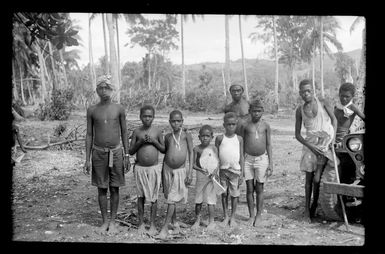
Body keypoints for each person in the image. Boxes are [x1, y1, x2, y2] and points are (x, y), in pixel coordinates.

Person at [83, 75, 130, 235]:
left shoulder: (119, 108)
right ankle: (104, 221)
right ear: (96, 90)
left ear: (111, 89)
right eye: (100, 88)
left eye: (106, 87)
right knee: (102, 189)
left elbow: (124, 131)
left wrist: (127, 155)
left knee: (115, 187)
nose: (103, 90)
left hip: (116, 152)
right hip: (98, 153)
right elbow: (89, 134)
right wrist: (87, 159)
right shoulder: (92, 110)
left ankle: (113, 221)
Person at [295, 79, 337, 222]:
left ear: (313, 91)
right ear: (300, 93)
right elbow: (297, 134)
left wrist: (333, 139)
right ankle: (307, 210)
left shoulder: (323, 103)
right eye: (303, 92)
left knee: (317, 179)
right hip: (309, 145)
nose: (306, 94)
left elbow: (334, 120)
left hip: (324, 144)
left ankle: (314, 204)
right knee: (308, 179)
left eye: (308, 91)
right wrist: (310, 146)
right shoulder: (299, 110)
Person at [128, 105, 165, 236]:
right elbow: (131, 151)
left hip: (154, 168)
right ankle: (141, 224)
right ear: (140, 117)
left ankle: (153, 224)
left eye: (150, 116)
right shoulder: (137, 132)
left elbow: (163, 149)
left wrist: (154, 141)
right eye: (145, 116)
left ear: (153, 117)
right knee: (141, 196)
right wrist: (140, 142)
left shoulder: (157, 131)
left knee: (153, 197)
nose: (147, 118)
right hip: (140, 169)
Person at [157, 110, 193, 239]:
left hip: (180, 170)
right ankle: (175, 222)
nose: (176, 123)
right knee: (169, 196)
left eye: (178, 121)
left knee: (172, 199)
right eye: (173, 121)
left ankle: (165, 228)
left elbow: (191, 153)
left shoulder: (186, 135)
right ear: (169, 122)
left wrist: (190, 173)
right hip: (166, 168)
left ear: (182, 121)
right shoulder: (167, 136)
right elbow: (165, 153)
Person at [241, 100, 273, 226]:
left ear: (262, 112)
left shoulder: (266, 126)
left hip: (262, 159)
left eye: (259, 111)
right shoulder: (245, 126)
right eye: (254, 111)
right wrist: (241, 162)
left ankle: (259, 215)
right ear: (249, 112)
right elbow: (242, 145)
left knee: (259, 188)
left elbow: (269, 144)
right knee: (249, 188)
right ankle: (251, 215)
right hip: (248, 160)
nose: (256, 113)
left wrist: (271, 163)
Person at [215, 112, 244, 227]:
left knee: (234, 194)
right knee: (224, 194)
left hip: (235, 171)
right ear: (224, 125)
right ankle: (225, 216)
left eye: (233, 124)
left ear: (236, 125)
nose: (231, 126)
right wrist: (216, 171)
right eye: (228, 124)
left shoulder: (239, 139)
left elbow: (241, 156)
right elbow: (216, 156)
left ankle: (233, 217)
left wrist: (242, 173)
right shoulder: (220, 138)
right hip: (223, 171)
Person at [334, 82, 365, 185]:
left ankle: (345, 192)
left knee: (345, 167)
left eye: (347, 97)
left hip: (343, 142)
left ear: (352, 96)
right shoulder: (336, 106)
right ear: (339, 94)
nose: (344, 99)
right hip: (332, 139)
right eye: (342, 96)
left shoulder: (352, 107)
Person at [191, 125, 219, 231]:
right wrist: (201, 170)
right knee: (198, 199)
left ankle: (211, 221)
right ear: (199, 137)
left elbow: (217, 162)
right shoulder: (197, 149)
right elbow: (193, 164)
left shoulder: (213, 148)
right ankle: (197, 220)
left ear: (212, 137)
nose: (205, 138)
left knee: (211, 199)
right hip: (200, 175)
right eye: (203, 136)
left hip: (211, 176)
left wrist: (215, 172)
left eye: (207, 136)